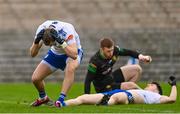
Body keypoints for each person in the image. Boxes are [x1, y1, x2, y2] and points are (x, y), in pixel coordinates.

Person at [29, 20, 83, 107]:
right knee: (35, 78)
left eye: (52, 44)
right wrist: (36, 42)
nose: (51, 46)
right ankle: (43, 98)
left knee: (70, 68)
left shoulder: (66, 30)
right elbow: (32, 54)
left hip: (71, 51)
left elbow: (74, 55)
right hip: (55, 53)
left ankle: (60, 100)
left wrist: (62, 42)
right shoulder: (41, 30)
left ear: (55, 38)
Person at [84, 38, 152, 94]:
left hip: (112, 78)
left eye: (112, 50)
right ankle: (147, 95)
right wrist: (87, 96)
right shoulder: (95, 61)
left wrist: (142, 57)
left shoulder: (115, 50)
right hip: (104, 88)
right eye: (108, 51)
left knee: (137, 69)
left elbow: (128, 52)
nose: (111, 53)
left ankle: (127, 95)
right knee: (132, 86)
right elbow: (88, 81)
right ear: (102, 49)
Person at [60, 76, 177, 107]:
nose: (148, 85)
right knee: (84, 97)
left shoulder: (156, 97)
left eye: (151, 85)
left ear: (156, 90)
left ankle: (104, 103)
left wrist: (174, 85)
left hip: (127, 96)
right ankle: (62, 104)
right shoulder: (141, 90)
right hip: (116, 92)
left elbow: (172, 99)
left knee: (117, 97)